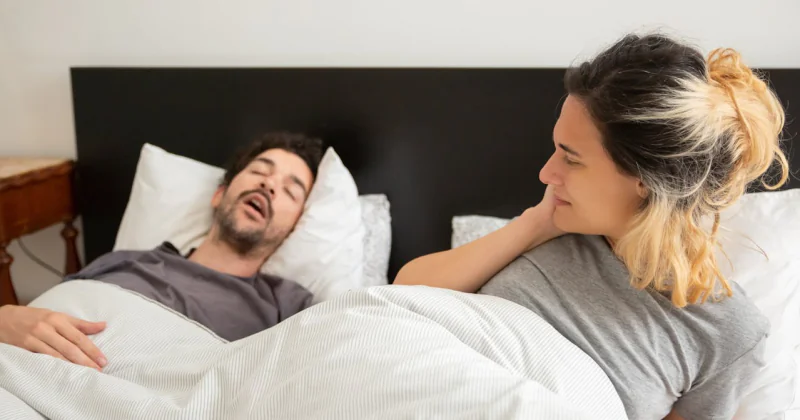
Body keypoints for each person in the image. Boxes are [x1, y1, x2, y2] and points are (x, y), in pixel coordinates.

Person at [395, 33, 790, 420]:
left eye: (571, 159)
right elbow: (404, 296)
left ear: (646, 179)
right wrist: (535, 224)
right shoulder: (556, 227)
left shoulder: (728, 333)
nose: (546, 173)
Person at [0, 132, 323, 371]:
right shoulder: (125, 261)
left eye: (290, 191)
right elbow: (48, 316)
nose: (269, 185)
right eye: (259, 172)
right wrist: (6, 318)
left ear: (294, 227)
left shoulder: (286, 306)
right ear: (219, 195)